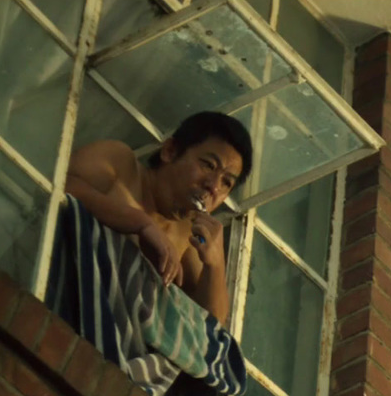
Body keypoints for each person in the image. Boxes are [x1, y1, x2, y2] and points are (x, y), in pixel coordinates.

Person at [63, 112, 253, 324]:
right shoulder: (120, 163)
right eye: (208, 165)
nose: (214, 186)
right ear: (170, 151)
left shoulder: (188, 238)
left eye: (227, 182)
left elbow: (209, 327)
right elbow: (60, 184)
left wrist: (215, 266)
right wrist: (141, 223)